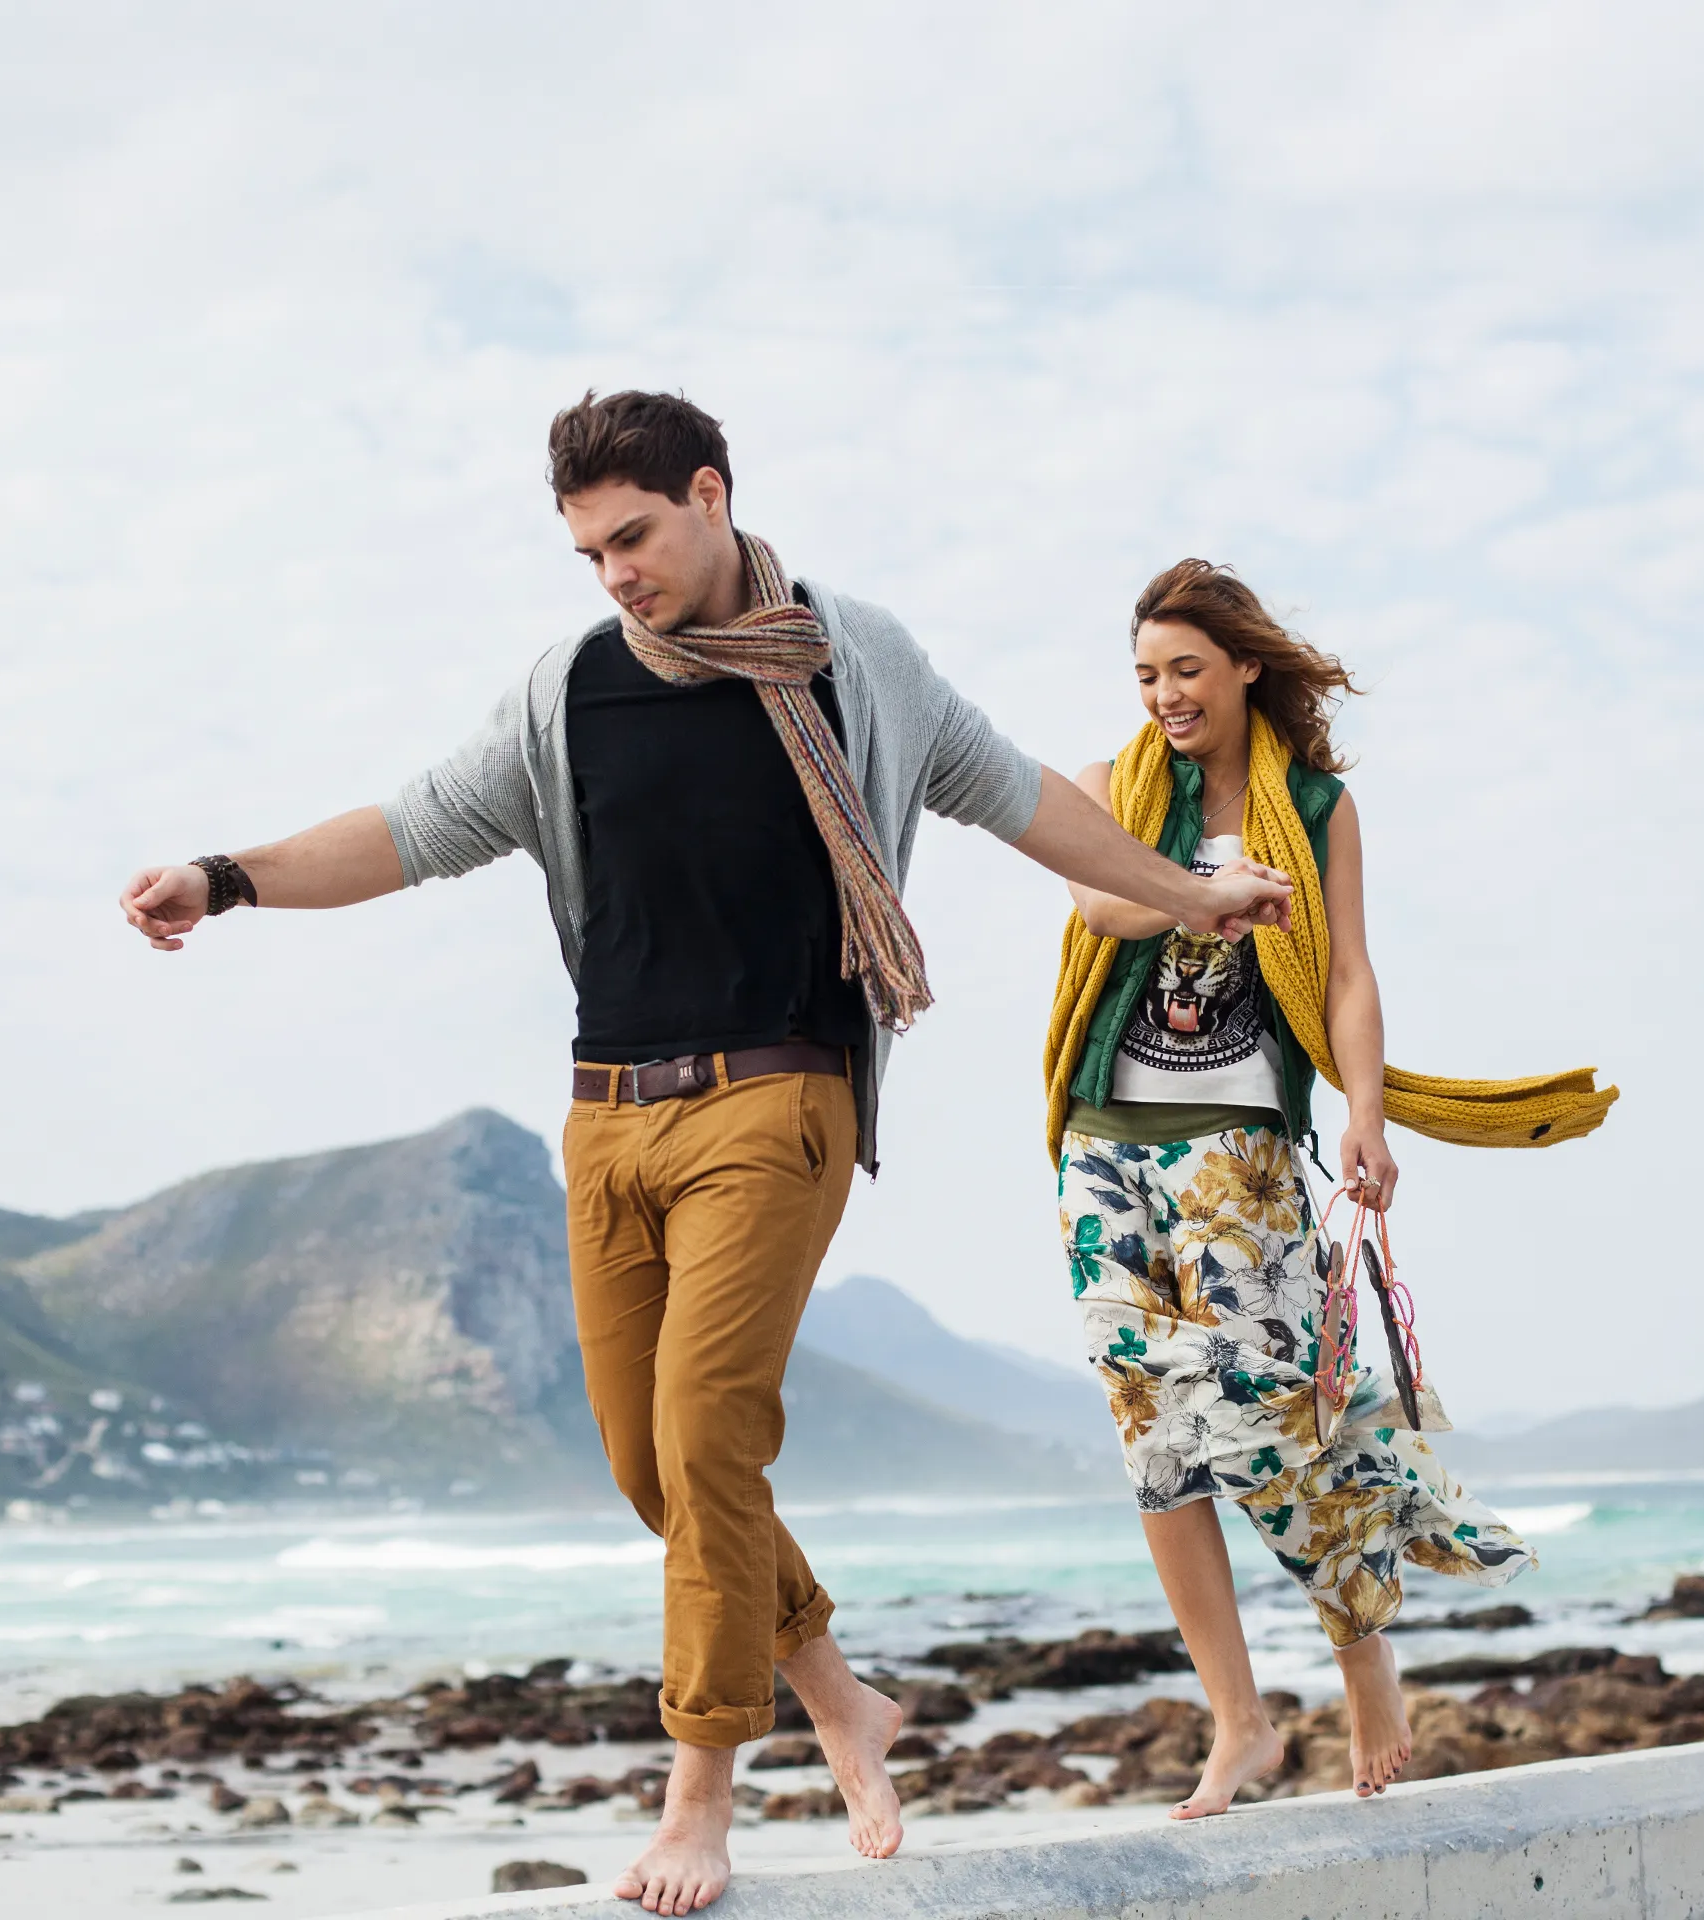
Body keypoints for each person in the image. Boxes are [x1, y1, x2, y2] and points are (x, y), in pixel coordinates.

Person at [118, 394, 1294, 1915]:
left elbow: (1021, 798)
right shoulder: (567, 693)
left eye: (634, 537)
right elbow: (408, 831)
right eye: (588, 553)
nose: (616, 573)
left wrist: (1187, 896)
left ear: (711, 494)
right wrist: (224, 878)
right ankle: (842, 1698)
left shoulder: (856, 660)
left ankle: (700, 1798)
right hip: (608, 1114)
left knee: (706, 1428)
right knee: (649, 1460)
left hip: (779, 1095)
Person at [1041, 559, 1617, 1815]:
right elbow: (1097, 906)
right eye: (1144, 675)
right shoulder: (1105, 787)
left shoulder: (1316, 806)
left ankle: (1362, 1659)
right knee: (1157, 1442)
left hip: (1237, 1148)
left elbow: (1346, 971)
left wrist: (1362, 1114)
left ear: (1245, 666)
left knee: (1277, 1425)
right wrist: (1203, 893)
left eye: (1185, 669)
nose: (1163, 695)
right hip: (1101, 1143)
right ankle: (1238, 1722)